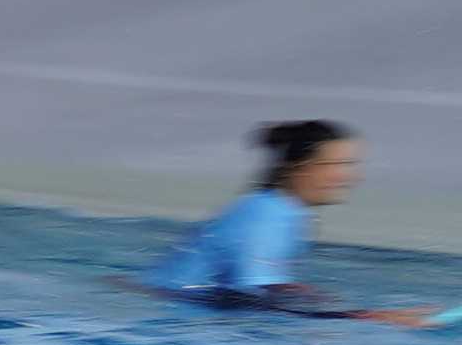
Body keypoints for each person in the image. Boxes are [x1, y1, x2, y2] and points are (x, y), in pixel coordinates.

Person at [151, 120, 433, 323]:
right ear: (299, 168)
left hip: (172, 304)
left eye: (351, 165)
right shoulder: (267, 216)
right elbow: (250, 298)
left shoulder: (279, 210)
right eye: (336, 166)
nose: (350, 178)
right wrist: (363, 316)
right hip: (168, 312)